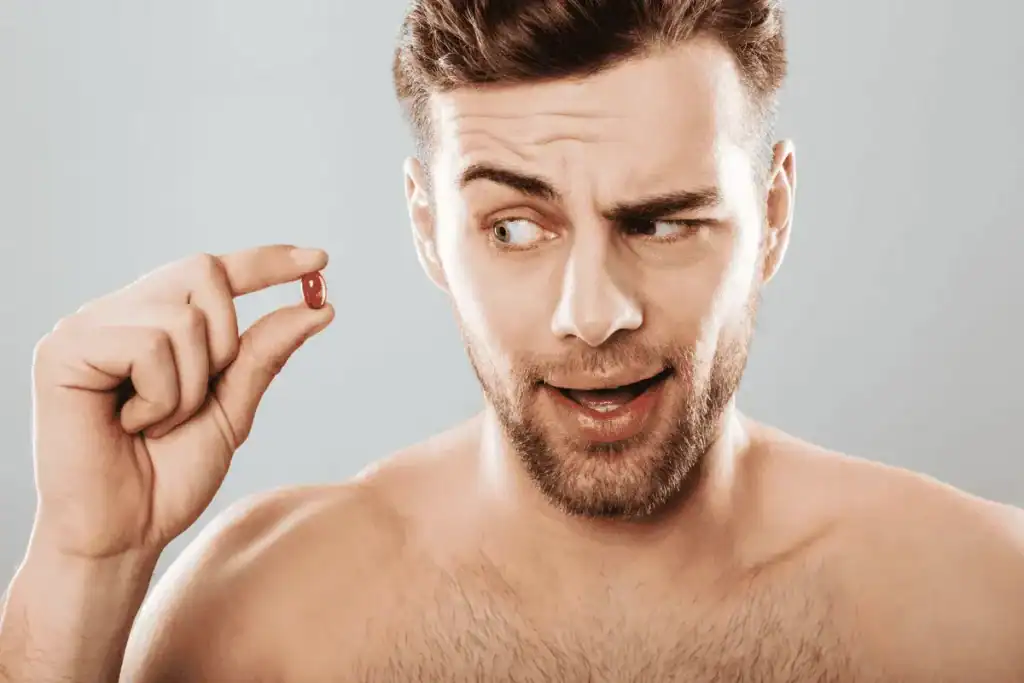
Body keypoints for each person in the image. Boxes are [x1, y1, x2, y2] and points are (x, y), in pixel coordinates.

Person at [2, 0, 1023, 681]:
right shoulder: (261, 618)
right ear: (427, 228)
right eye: (516, 228)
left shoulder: (983, 603)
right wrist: (88, 559)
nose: (594, 312)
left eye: (662, 222)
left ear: (774, 214)